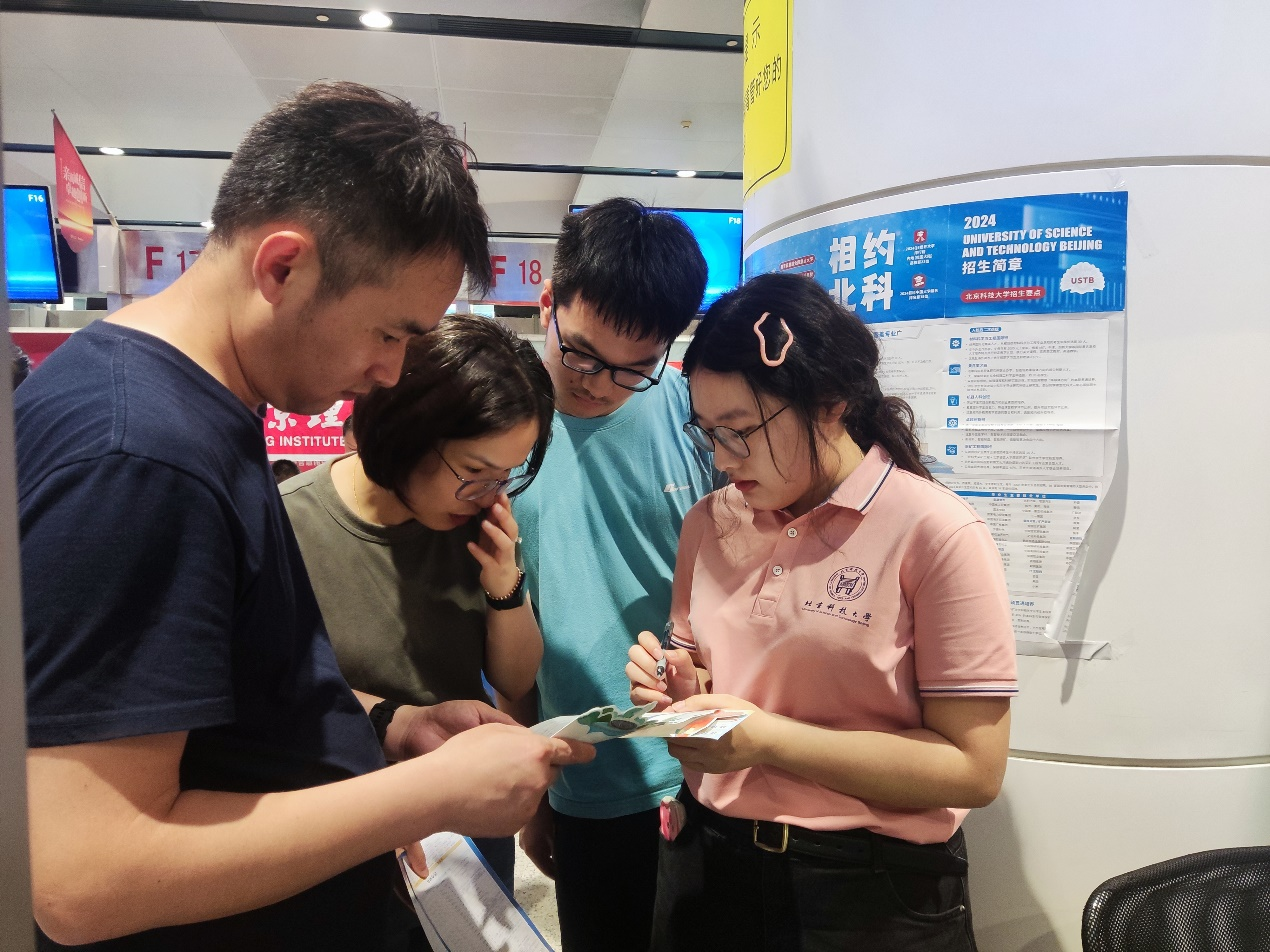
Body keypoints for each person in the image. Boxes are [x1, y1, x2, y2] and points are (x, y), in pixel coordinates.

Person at [16, 81, 591, 951]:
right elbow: (86, 875)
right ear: (284, 267)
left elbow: (227, 705)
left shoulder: (185, 416)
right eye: (391, 333)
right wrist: (430, 795)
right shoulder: (140, 455)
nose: (392, 373)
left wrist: (394, 726)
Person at [627, 272, 1018, 951]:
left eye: (741, 431)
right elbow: (701, 665)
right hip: (708, 861)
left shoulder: (936, 534)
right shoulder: (708, 523)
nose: (722, 459)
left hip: (868, 889)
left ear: (831, 403)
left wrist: (769, 740)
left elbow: (973, 768)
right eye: (707, 433)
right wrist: (679, 686)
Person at [281, 315, 555, 889]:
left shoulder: (478, 522)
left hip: (465, 826)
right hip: (336, 825)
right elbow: (274, 696)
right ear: (409, 429)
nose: (490, 493)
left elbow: (515, 677)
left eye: (507, 475)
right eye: (475, 471)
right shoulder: (287, 524)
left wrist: (504, 585)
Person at [510, 198, 717, 952]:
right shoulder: (492, 429)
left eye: (636, 368)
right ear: (547, 305)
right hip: (586, 777)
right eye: (582, 354)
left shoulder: (694, 417)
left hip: (709, 767)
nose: (601, 384)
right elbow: (507, 624)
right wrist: (536, 790)